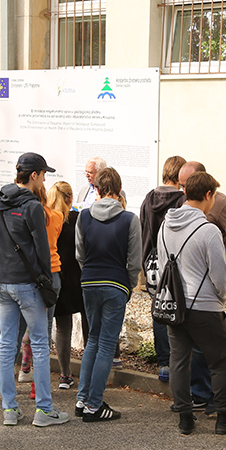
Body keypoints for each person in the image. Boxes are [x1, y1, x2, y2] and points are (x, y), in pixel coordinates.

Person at [0, 152, 70, 427]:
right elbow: (42, 250)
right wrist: (44, 280)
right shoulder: (32, 207)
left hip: (3, 283)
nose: (44, 181)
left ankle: (9, 409)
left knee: (7, 345)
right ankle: (44, 410)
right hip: (28, 284)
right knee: (39, 344)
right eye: (43, 175)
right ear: (34, 175)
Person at [157, 171, 226, 435]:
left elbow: (162, 264)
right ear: (208, 194)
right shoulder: (208, 230)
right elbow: (220, 275)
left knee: (179, 361)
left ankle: (185, 418)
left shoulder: (165, 225)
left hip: (174, 306)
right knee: (220, 361)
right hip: (205, 306)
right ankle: (223, 419)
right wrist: (222, 298)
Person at [74, 167, 141, 422]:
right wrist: (129, 286)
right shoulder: (129, 219)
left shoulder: (84, 216)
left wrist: (88, 274)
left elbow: (80, 254)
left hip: (89, 281)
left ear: (97, 189)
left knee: (93, 340)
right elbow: (134, 261)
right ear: (119, 189)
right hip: (115, 283)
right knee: (106, 344)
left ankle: (82, 399)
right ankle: (94, 405)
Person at [140, 155, 188, 383]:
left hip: (151, 263)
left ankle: (163, 363)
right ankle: (178, 362)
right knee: (177, 308)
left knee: (159, 308)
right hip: (174, 263)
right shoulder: (182, 200)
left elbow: (142, 228)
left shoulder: (148, 199)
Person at [48, 182, 83, 389]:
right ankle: (88, 374)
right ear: (70, 199)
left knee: (62, 327)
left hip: (56, 275)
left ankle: (64, 374)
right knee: (86, 325)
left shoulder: (47, 219)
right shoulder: (76, 219)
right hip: (76, 277)